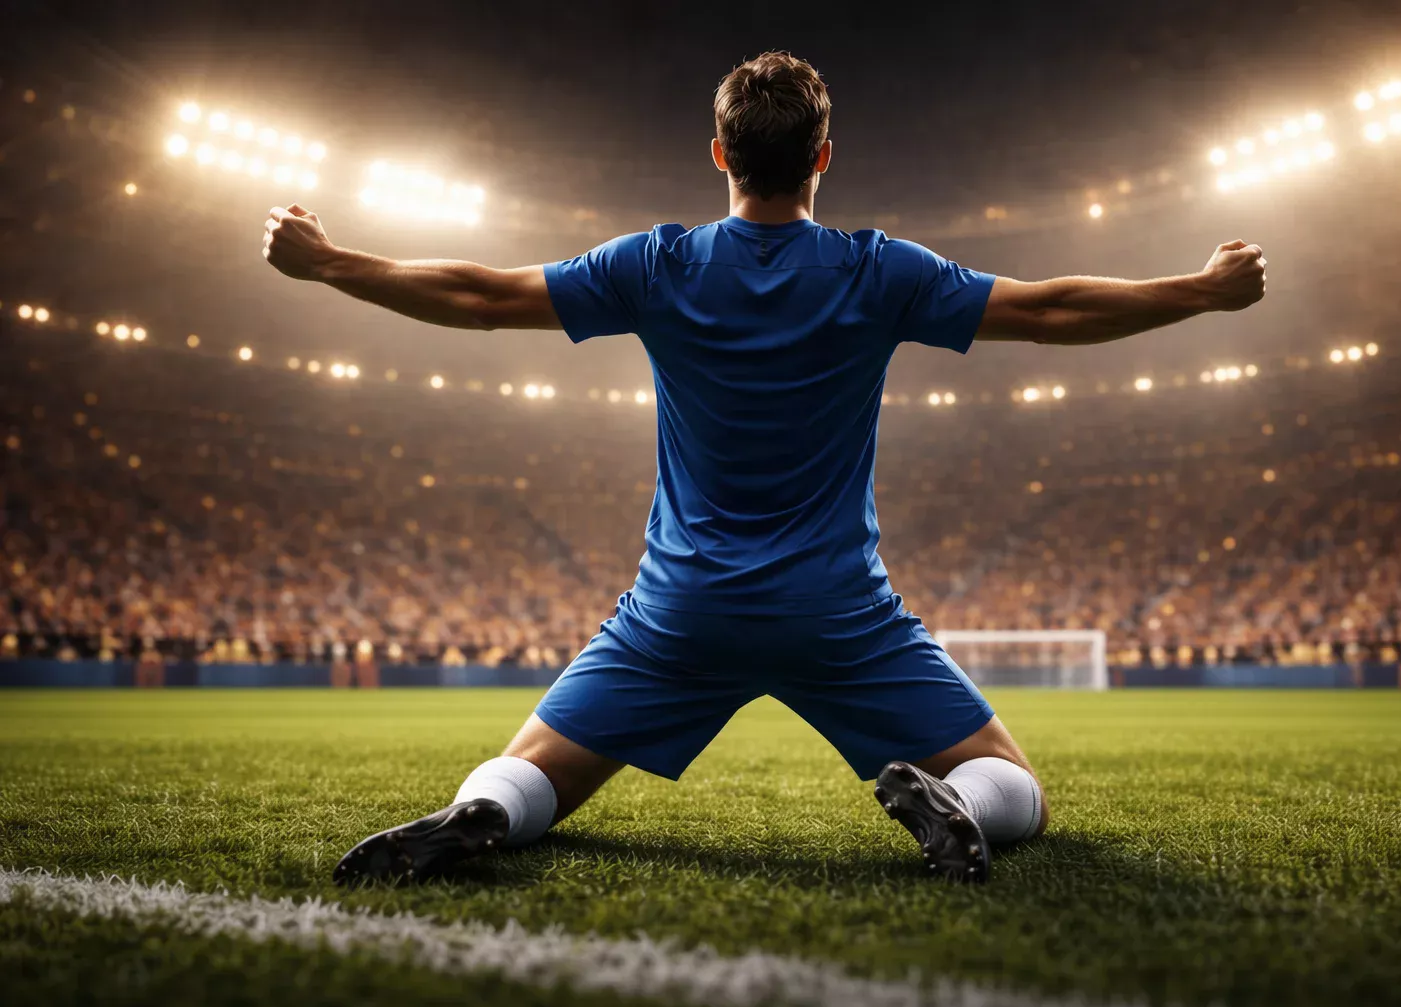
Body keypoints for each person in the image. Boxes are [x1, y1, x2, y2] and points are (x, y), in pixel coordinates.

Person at [262, 51, 1266, 884]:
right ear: (822, 157)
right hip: (838, 611)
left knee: (536, 771)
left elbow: (481, 296)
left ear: (719, 155)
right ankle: (953, 801)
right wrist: (1204, 291)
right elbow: (1051, 312)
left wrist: (333, 261)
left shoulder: (658, 265)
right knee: (1018, 786)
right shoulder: (878, 272)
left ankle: (478, 811)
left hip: (682, 608)